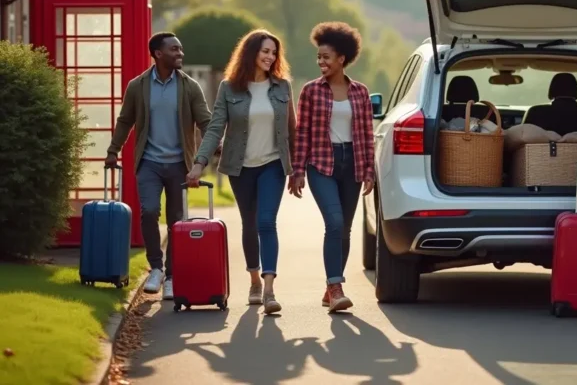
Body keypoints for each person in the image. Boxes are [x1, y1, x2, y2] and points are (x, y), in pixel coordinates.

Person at [187, 29, 296, 315]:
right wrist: (199, 163)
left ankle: (270, 289)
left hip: (273, 165)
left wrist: (298, 169)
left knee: (266, 222)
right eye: (265, 51)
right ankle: (253, 281)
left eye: (274, 52)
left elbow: (292, 130)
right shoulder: (229, 88)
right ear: (250, 53)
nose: (270, 57)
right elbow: (215, 127)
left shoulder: (282, 87)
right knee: (249, 224)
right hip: (240, 167)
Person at [105, 32, 212, 300]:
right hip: (149, 162)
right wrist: (112, 151)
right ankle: (156, 268)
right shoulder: (138, 86)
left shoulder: (190, 87)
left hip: (180, 164)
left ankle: (172, 278)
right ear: (158, 53)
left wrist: (209, 150)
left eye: (181, 49)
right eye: (174, 49)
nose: (180, 54)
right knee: (150, 211)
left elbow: (206, 122)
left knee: (176, 221)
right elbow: (125, 121)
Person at [289, 21, 375, 314]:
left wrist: (369, 171)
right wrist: (298, 170)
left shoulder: (360, 92)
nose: (321, 62)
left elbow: (366, 134)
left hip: (351, 163)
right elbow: (302, 133)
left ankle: (330, 289)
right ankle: (336, 286)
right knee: (335, 223)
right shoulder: (311, 91)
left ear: (342, 58)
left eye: (326, 57)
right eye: (318, 57)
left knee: (346, 230)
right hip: (321, 164)